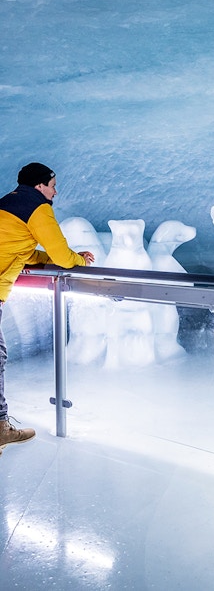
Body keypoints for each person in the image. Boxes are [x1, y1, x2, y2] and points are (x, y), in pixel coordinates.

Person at [0, 162, 94, 455]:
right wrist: (79, 260)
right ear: (40, 186)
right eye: (53, 185)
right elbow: (62, 258)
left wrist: (50, 259)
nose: (55, 191)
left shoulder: (8, 204)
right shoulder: (38, 208)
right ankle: (1, 430)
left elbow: (25, 251)